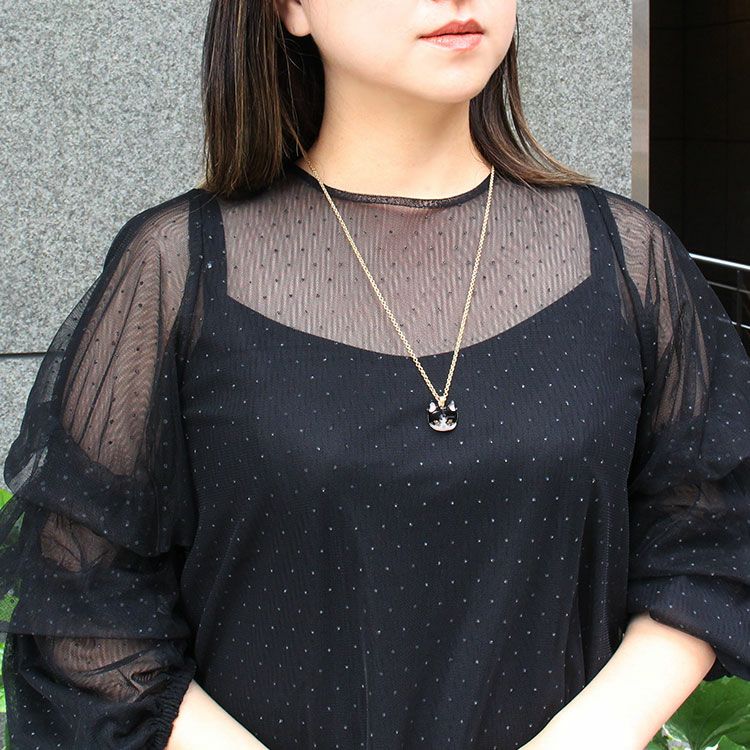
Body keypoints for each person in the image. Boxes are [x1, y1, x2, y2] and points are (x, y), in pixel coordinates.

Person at [1, 0, 749, 748]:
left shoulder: (627, 258)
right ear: (291, 9)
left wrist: (594, 733)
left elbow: (709, 540)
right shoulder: (179, 268)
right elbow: (87, 608)